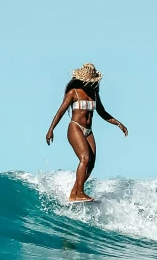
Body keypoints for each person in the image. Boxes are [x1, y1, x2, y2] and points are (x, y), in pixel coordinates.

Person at [46, 63, 128, 202]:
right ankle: (80, 192)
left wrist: (119, 124)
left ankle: (75, 192)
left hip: (89, 131)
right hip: (75, 127)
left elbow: (102, 112)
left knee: (91, 163)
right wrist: (51, 130)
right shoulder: (74, 92)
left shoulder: (94, 94)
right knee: (85, 158)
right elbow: (60, 111)